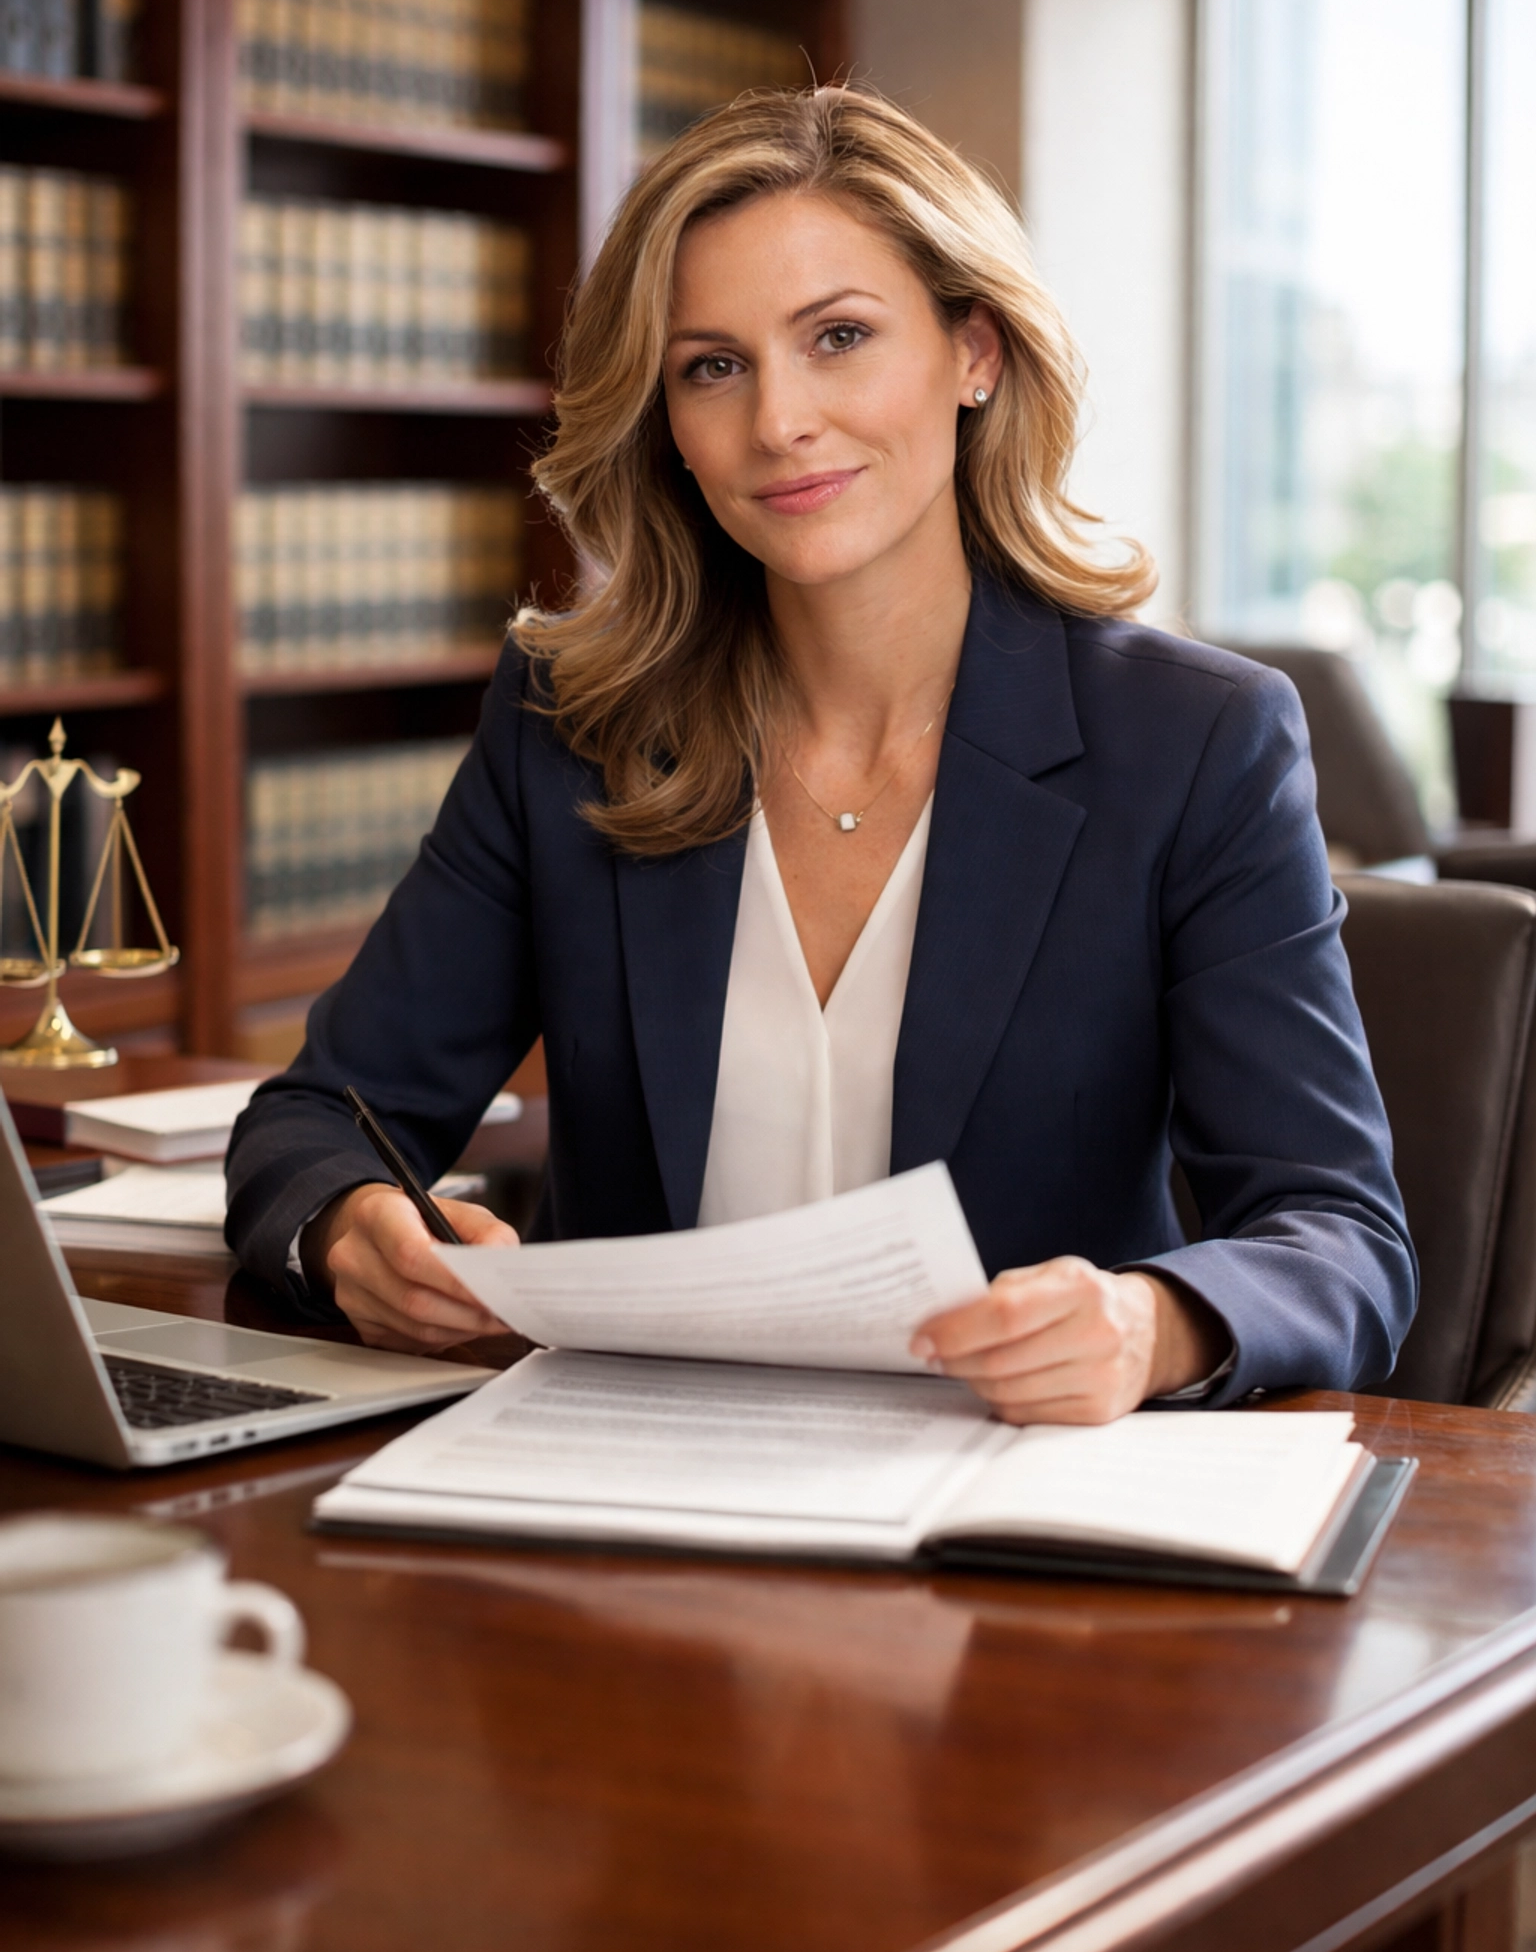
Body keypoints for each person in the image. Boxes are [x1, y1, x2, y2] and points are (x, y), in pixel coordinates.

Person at [226, 85, 1416, 1424]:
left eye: (838, 337)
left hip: (1008, 1525)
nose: (778, 421)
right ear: (666, 418)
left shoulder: (1195, 742)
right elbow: (317, 1119)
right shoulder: (572, 722)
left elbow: (1339, 1239)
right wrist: (343, 1230)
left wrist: (1153, 1323)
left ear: (976, 353)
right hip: (622, 1490)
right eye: (712, 365)